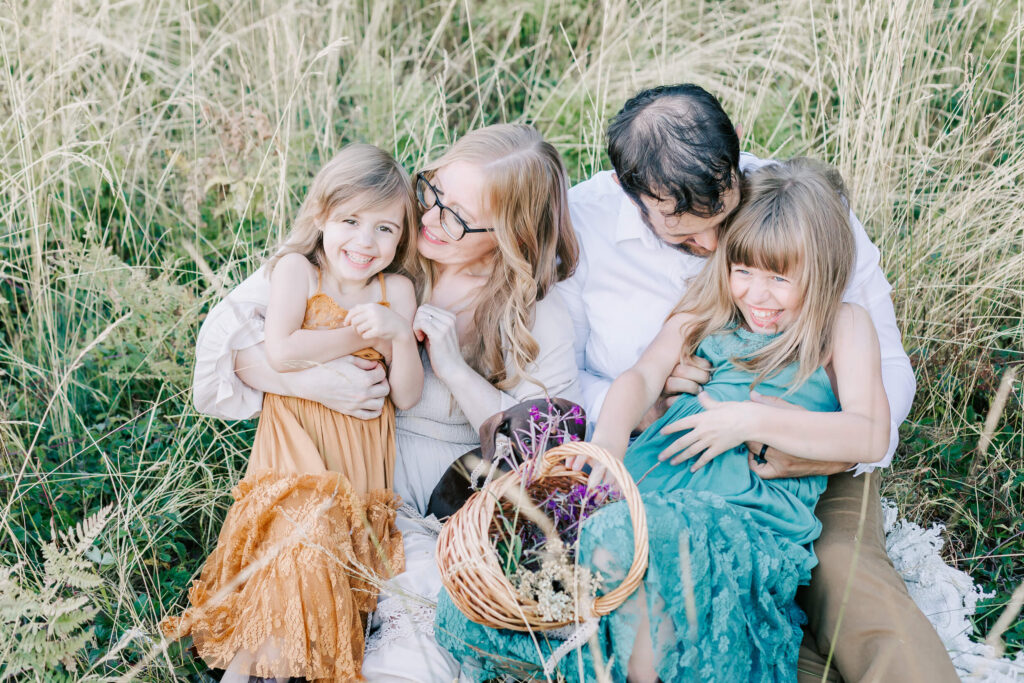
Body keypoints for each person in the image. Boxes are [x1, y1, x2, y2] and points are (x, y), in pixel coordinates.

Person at [558, 84, 956, 681]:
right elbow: (584, 375)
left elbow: (882, 386)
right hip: (671, 457)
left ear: (735, 168)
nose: (717, 252)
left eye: (725, 224)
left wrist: (806, 445)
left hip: (810, 464)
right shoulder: (582, 228)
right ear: (630, 192)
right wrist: (627, 428)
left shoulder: (793, 206)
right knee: (658, 577)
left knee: (846, 575)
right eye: (693, 236)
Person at [433, 157, 887, 681]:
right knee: (471, 596)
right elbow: (640, 379)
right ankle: (590, 654)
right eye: (743, 271)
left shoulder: (843, 327)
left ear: (824, 269)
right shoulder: (709, 308)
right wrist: (607, 444)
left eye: (780, 278)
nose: (757, 296)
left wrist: (745, 421)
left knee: (636, 550)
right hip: (645, 495)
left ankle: (619, 653)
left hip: (732, 522)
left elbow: (869, 433)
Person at [186, 123, 582, 681]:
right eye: (433, 192)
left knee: (410, 648)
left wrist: (451, 366)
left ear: (511, 233)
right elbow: (226, 344)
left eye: (457, 216)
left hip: (444, 507)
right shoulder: (378, 248)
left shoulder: (539, 316)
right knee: (291, 603)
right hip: (337, 471)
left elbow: (541, 452)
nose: (430, 218)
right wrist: (304, 382)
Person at [160, 144, 422, 681]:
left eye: (385, 229)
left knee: (307, 573)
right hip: (294, 446)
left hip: (359, 463)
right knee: (296, 543)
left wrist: (400, 335)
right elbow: (279, 350)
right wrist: (359, 332)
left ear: (402, 238)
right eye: (350, 220)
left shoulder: (397, 289)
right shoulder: (298, 271)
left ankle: (259, 673)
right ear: (322, 215)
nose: (365, 242)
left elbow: (407, 395)